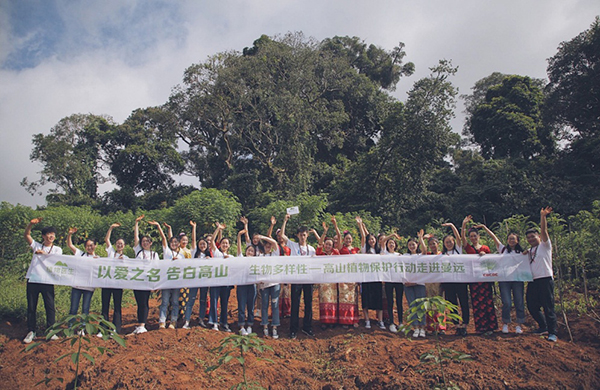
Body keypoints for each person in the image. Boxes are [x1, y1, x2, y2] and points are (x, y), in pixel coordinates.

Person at [475, 224, 526, 334]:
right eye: (509, 239)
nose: (511, 240)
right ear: (507, 240)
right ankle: (505, 323)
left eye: (513, 239)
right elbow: (493, 237)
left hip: (517, 280)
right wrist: (484, 227)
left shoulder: (521, 253)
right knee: (507, 302)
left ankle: (519, 325)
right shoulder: (503, 250)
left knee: (519, 302)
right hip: (504, 280)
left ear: (517, 240)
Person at [23, 218, 62, 344]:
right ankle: (31, 331)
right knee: (31, 306)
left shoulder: (57, 249)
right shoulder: (36, 246)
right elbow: (27, 235)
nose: (51, 236)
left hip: (47, 280)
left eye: (53, 234)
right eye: (49, 234)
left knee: (50, 306)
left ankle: (51, 331)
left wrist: (44, 254)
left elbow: (57, 261)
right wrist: (31, 225)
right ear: (43, 236)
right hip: (33, 279)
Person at [280, 214, 316, 339]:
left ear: (307, 235)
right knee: (295, 303)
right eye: (300, 234)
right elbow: (282, 236)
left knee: (308, 303)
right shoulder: (293, 245)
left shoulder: (311, 249)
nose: (302, 236)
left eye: (304, 234)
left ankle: (307, 327)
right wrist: (285, 221)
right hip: (296, 278)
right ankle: (293, 329)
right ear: (297, 235)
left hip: (308, 279)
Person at [461, 216, 498, 335]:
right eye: (471, 236)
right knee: (477, 303)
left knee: (488, 302)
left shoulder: (485, 248)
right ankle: (480, 327)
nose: (473, 238)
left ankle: (490, 327)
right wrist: (464, 225)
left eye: (475, 236)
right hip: (474, 280)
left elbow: (491, 262)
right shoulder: (468, 248)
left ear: (478, 237)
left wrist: (485, 255)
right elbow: (462, 238)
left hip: (485, 279)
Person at [526, 207, 557, 342]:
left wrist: (543, 217)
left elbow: (544, 231)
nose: (531, 239)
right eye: (528, 237)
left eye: (533, 236)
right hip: (533, 281)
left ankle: (552, 333)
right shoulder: (529, 250)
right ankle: (543, 326)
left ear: (538, 236)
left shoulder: (545, 246)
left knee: (548, 306)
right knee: (532, 305)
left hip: (545, 279)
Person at [150, 221, 181, 329]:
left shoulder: (181, 256)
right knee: (165, 302)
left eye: (176, 242)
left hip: (176, 283)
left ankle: (173, 321)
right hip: (166, 282)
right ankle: (162, 322)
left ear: (179, 244)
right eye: (172, 242)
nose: (174, 244)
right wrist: (159, 226)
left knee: (175, 302)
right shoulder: (167, 252)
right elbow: (164, 239)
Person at [66, 227, 97, 334]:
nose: (89, 247)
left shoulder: (98, 258)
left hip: (89, 288)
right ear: (85, 247)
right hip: (77, 286)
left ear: (95, 246)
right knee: (73, 309)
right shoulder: (80, 254)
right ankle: (70, 328)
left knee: (85, 310)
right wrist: (70, 234)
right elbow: (70, 245)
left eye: (91, 245)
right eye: (87, 245)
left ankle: (82, 328)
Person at [132, 215, 159, 335]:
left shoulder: (155, 254)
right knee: (139, 303)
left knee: (144, 302)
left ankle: (143, 324)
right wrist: (137, 223)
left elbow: (157, 269)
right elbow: (136, 237)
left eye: (147, 241)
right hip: (137, 281)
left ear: (151, 243)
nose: (145, 243)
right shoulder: (138, 251)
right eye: (143, 241)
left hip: (147, 282)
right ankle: (139, 324)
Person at [440, 222, 469, 336]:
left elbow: (458, 237)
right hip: (448, 283)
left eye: (450, 241)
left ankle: (465, 324)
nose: (448, 243)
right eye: (446, 242)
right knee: (452, 304)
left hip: (461, 281)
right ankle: (457, 325)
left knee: (464, 303)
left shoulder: (458, 250)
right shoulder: (442, 255)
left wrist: (452, 226)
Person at [357, 216, 385, 330]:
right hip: (366, 278)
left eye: (373, 239)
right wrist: (360, 225)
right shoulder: (365, 250)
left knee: (378, 299)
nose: (371, 241)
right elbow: (363, 237)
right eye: (369, 240)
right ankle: (367, 320)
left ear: (376, 240)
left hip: (377, 278)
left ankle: (380, 320)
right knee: (366, 299)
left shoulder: (380, 250)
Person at [101, 223, 127, 335]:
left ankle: (116, 329)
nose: (119, 245)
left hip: (118, 284)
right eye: (118, 243)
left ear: (124, 246)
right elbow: (106, 239)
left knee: (117, 307)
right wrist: (111, 227)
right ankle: (102, 329)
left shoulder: (126, 258)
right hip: (107, 283)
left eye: (121, 244)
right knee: (105, 306)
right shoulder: (111, 252)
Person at [209, 223, 234, 332]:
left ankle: (224, 323)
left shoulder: (232, 257)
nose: (224, 244)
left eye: (226, 243)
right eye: (223, 243)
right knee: (214, 302)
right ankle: (214, 323)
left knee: (224, 303)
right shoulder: (217, 253)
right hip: (215, 281)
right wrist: (218, 229)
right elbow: (211, 242)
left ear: (229, 246)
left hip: (227, 283)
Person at [315, 222, 341, 330]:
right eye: (326, 244)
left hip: (333, 281)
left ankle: (332, 320)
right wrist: (324, 232)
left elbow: (339, 238)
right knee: (324, 300)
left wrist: (335, 225)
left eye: (330, 244)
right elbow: (320, 243)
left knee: (333, 301)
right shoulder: (321, 253)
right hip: (323, 280)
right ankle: (324, 321)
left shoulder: (335, 253)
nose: (328, 246)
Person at [183, 235, 212, 329]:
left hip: (205, 281)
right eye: (201, 244)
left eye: (204, 244)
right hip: (194, 280)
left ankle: (201, 320)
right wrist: (194, 228)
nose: (202, 245)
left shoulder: (210, 255)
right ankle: (187, 321)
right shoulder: (195, 252)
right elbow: (193, 240)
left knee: (203, 300)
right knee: (191, 300)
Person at [258, 233, 281, 339]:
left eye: (269, 245)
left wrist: (263, 237)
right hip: (264, 285)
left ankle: (275, 327)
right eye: (266, 245)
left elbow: (275, 242)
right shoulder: (260, 256)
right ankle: (265, 326)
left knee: (275, 305)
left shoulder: (275, 254)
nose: (268, 246)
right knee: (265, 305)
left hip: (275, 283)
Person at [405, 231, 426, 337]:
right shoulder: (404, 256)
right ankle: (416, 327)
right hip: (408, 285)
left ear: (417, 245)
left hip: (420, 284)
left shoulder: (420, 255)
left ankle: (422, 328)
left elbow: (425, 250)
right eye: (410, 245)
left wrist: (421, 238)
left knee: (421, 306)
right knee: (412, 306)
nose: (412, 246)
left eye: (413, 244)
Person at [236, 228, 257, 335]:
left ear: (254, 254)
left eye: (252, 251)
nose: (250, 252)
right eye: (248, 250)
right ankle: (241, 326)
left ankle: (250, 325)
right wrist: (239, 236)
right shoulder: (241, 258)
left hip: (252, 285)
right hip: (241, 285)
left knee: (251, 306)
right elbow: (239, 248)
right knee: (241, 305)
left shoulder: (257, 262)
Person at [382, 237, 404, 333]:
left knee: (399, 301)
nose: (391, 245)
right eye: (389, 243)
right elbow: (382, 241)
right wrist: (392, 234)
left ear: (395, 245)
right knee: (390, 302)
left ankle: (401, 322)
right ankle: (391, 323)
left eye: (393, 243)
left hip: (398, 280)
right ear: (387, 245)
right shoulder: (384, 254)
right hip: (388, 280)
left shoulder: (399, 255)